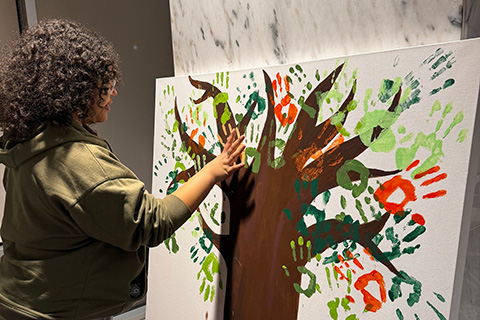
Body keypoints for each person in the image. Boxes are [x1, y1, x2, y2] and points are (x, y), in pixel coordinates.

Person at [0, 19, 245, 319]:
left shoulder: (27, 144)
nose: (113, 94)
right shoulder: (77, 161)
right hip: (57, 312)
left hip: (20, 300)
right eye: (105, 87)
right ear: (72, 93)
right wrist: (212, 171)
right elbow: (153, 222)